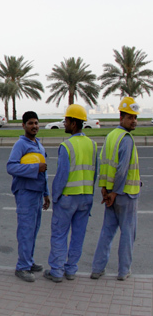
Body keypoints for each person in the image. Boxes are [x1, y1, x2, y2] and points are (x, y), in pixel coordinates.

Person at [44, 104, 98, 283]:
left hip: (67, 198)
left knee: (59, 235)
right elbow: (94, 172)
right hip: (86, 197)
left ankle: (57, 272)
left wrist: (55, 196)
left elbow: (61, 176)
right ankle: (71, 270)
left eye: (66, 121)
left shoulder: (66, 146)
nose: (64, 123)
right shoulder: (92, 144)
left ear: (74, 123)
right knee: (78, 236)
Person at [92, 97, 141, 281]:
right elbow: (122, 170)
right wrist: (113, 192)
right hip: (125, 195)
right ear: (121, 117)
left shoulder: (111, 136)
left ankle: (97, 269)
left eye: (135, 117)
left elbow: (104, 165)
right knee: (128, 233)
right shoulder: (126, 139)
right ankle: (123, 271)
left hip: (111, 195)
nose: (134, 121)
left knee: (107, 232)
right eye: (130, 117)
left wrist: (105, 190)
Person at [7, 111, 50, 283]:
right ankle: (22, 267)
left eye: (36, 123)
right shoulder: (20, 145)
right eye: (30, 123)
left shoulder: (39, 145)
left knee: (33, 229)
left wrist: (46, 193)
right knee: (25, 230)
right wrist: (34, 169)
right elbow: (11, 167)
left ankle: (29, 261)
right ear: (23, 125)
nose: (34, 126)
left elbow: (44, 172)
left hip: (38, 193)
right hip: (25, 192)